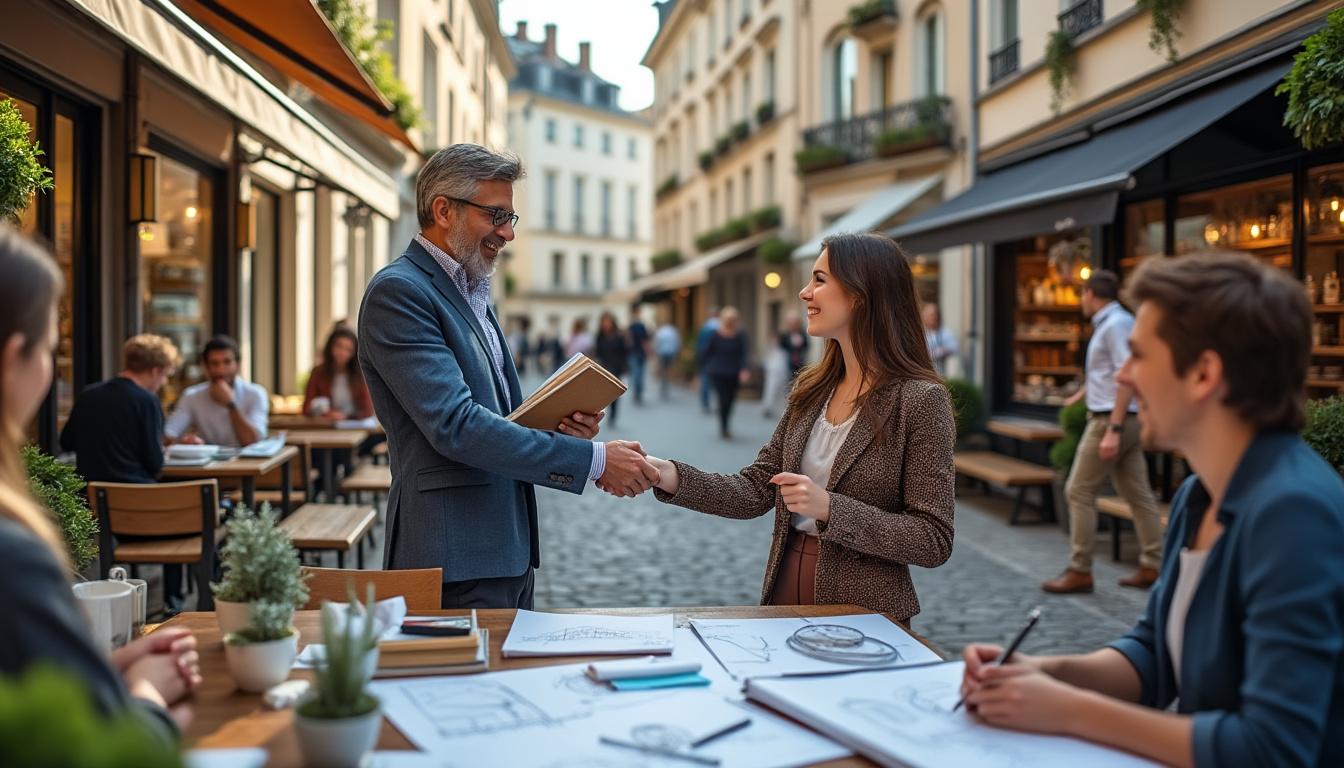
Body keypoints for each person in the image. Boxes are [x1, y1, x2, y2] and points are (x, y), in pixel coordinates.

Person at [960, 251, 1344, 768]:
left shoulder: (1294, 513)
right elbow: (1155, 656)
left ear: (1204, 373)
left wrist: (1072, 710)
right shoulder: (1199, 494)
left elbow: (1274, 748)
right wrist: (1045, 673)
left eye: (1139, 355)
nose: (1124, 376)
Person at [358, 144, 658, 609]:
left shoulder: (474, 288)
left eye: (510, 218)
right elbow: (456, 426)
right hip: (450, 554)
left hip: (506, 549)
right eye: (496, 215)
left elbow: (497, 422)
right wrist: (592, 459)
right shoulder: (400, 292)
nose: (506, 233)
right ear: (443, 210)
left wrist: (558, 426)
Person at [645, 234, 955, 621]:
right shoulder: (811, 391)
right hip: (783, 587)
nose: (805, 293)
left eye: (819, 279)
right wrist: (665, 473)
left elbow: (933, 539)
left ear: (861, 293)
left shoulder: (920, 401)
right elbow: (756, 490)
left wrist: (830, 509)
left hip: (866, 612)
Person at [0, 226, 200, 746]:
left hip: (104, 509)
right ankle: (185, 595)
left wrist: (104, 673)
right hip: (152, 509)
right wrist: (146, 698)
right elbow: (93, 752)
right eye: (49, 347)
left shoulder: (87, 395)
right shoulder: (15, 558)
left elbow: (67, 438)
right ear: (12, 360)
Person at [1043, 270, 1164, 594]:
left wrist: (1113, 427)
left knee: (1078, 491)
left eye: (1082, 295)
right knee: (1138, 494)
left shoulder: (1115, 324)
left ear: (1090, 294)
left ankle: (1079, 569)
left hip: (1112, 419)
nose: (1081, 301)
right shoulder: (1113, 323)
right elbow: (1108, 371)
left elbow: (1128, 375)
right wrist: (1082, 394)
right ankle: (1154, 565)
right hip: (1119, 417)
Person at [61, 334, 189, 612]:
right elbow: (155, 464)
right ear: (156, 370)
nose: (164, 382)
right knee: (187, 519)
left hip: (98, 513)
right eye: (166, 375)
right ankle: (173, 603)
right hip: (141, 513)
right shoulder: (146, 401)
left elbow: (66, 442)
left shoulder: (88, 395)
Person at [163, 335, 268, 447]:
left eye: (227, 362)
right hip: (208, 461)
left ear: (237, 365)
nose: (221, 370)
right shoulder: (192, 396)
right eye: (214, 363)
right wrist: (185, 441)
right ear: (206, 367)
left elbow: (252, 441)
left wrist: (230, 404)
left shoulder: (256, 394)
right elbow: (169, 433)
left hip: (248, 462)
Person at [304, 323, 374, 420]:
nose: (342, 353)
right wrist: (326, 413)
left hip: (354, 426)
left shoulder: (360, 374)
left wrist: (346, 416)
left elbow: (368, 410)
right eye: (339, 346)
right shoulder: (318, 373)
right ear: (330, 347)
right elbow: (306, 408)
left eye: (348, 349)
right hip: (327, 426)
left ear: (354, 353)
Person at [702, 307, 750, 440]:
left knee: (730, 399)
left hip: (733, 372)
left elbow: (743, 354)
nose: (730, 322)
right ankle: (724, 426)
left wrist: (744, 369)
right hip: (718, 372)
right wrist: (704, 369)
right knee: (722, 399)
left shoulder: (740, 334)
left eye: (732, 320)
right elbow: (706, 352)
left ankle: (726, 422)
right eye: (728, 319)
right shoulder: (715, 334)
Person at [593, 312, 629, 427]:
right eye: (604, 322)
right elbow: (597, 352)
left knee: (614, 393)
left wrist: (624, 366)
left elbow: (624, 352)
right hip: (604, 367)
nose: (606, 324)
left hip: (616, 367)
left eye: (608, 322)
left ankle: (613, 415)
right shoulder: (600, 336)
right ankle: (599, 414)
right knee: (603, 393)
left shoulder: (619, 336)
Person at [694, 307, 720, 414]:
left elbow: (699, 346)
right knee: (718, 383)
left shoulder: (704, 329)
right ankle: (719, 404)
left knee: (705, 381)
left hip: (706, 359)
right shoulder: (720, 329)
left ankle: (706, 404)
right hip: (718, 360)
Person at [922, 303, 958, 377]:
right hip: (924, 375)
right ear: (923, 317)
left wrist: (940, 352)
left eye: (934, 315)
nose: (933, 318)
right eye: (930, 315)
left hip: (943, 375)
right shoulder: (920, 334)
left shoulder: (946, 333)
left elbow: (954, 347)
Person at [626, 308, 651, 405]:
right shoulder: (640, 326)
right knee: (639, 374)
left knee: (637, 373)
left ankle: (637, 393)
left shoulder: (632, 326)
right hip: (638, 353)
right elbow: (645, 341)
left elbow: (629, 340)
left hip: (634, 353)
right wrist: (648, 351)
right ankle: (638, 393)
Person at [653, 319, 681, 401]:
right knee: (669, 369)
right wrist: (677, 353)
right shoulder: (673, 331)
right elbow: (677, 342)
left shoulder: (661, 331)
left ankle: (663, 382)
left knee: (663, 369)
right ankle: (667, 382)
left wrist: (657, 353)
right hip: (671, 353)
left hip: (662, 353)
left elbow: (657, 343)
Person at [778, 311, 809, 379]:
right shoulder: (785, 335)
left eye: (795, 323)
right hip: (787, 363)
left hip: (800, 362)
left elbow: (806, 346)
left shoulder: (802, 334)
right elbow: (782, 348)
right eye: (791, 323)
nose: (793, 325)